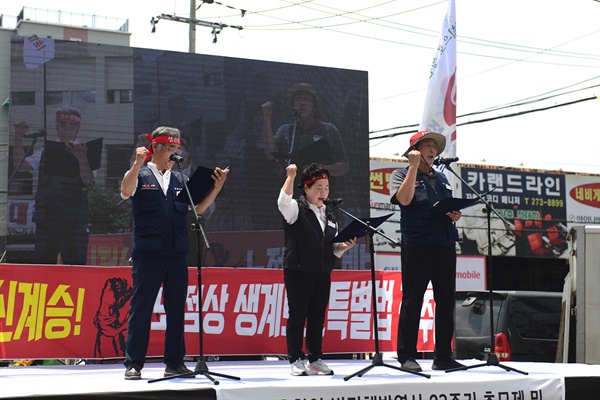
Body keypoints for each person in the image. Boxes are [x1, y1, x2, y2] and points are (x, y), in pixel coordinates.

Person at [120, 126, 228, 380]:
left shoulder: (180, 178)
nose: (176, 154)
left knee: (177, 308)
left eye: (178, 149)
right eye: (171, 149)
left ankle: (175, 362)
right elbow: (125, 192)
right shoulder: (141, 173)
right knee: (142, 308)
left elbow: (198, 209)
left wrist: (217, 187)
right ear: (156, 148)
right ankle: (133, 363)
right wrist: (137, 163)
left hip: (177, 251)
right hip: (148, 253)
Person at [389, 130, 465, 372]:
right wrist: (412, 168)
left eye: (434, 146)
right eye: (427, 146)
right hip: (417, 244)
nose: (432, 150)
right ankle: (407, 356)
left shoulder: (442, 178)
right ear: (414, 151)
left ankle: (443, 356)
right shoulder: (400, 173)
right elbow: (405, 199)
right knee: (413, 299)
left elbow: (447, 207)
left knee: (445, 300)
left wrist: (455, 214)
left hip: (444, 244)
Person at [277, 162, 356, 376]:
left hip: (323, 272)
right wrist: (291, 176)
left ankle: (316, 359)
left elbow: (332, 248)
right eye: (318, 188)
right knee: (297, 316)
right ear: (307, 188)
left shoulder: (330, 214)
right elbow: (282, 201)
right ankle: (295, 359)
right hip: (299, 271)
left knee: (317, 318)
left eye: (327, 187)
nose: (323, 192)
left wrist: (344, 247)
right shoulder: (296, 208)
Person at [12, 106, 93, 265]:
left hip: (73, 221)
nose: (67, 131)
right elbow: (20, 166)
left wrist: (82, 158)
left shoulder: (85, 150)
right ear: (56, 127)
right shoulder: (45, 151)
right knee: (43, 267)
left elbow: (87, 180)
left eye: (72, 127)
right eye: (62, 125)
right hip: (47, 220)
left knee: (75, 269)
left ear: (77, 129)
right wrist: (19, 136)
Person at [262, 83, 349, 177]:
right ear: (293, 104)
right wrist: (267, 116)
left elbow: (343, 167)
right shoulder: (285, 130)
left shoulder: (328, 130)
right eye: (298, 98)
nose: (302, 103)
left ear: (314, 105)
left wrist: (320, 169)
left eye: (307, 99)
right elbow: (270, 154)